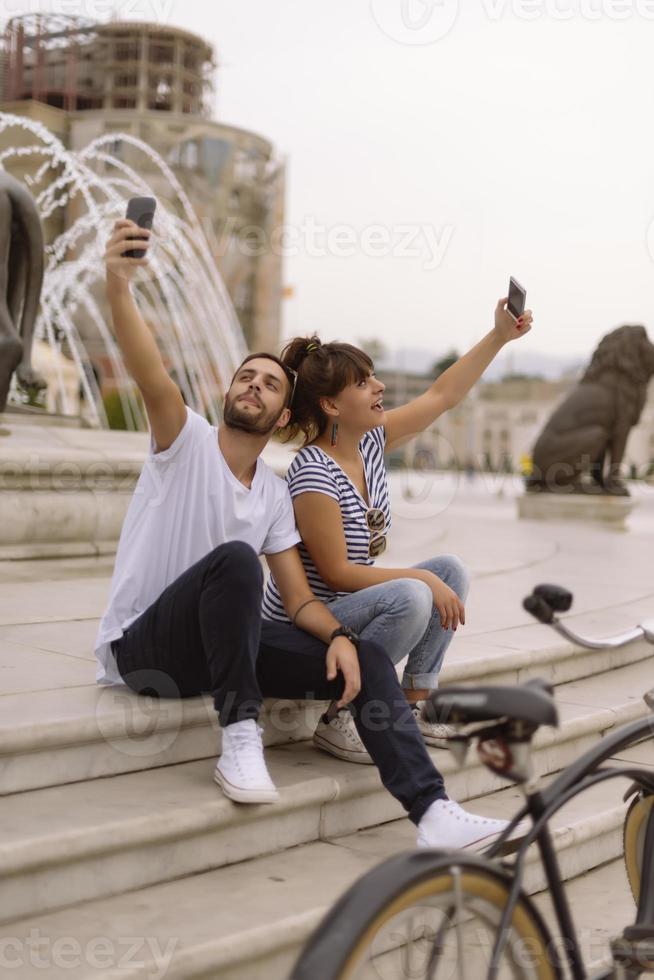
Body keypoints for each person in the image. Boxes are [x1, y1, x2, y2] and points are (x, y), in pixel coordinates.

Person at [93, 218, 521, 851]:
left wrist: (345, 638)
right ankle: (239, 739)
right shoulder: (181, 443)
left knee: (368, 655)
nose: (252, 386)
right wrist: (119, 284)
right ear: (227, 392)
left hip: (222, 653)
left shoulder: (270, 493)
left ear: (284, 413)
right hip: (145, 650)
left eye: (268, 383)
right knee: (237, 561)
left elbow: (298, 600)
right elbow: (149, 370)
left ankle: (433, 814)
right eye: (244, 377)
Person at [262, 300, 533, 761]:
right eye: (364, 382)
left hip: (343, 606)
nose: (379, 386)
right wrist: (419, 579)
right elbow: (336, 575)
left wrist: (498, 337)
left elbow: (441, 397)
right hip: (301, 626)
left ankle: (411, 705)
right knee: (413, 595)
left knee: (450, 570)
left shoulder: (368, 442)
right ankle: (341, 716)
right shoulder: (312, 473)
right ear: (330, 405)